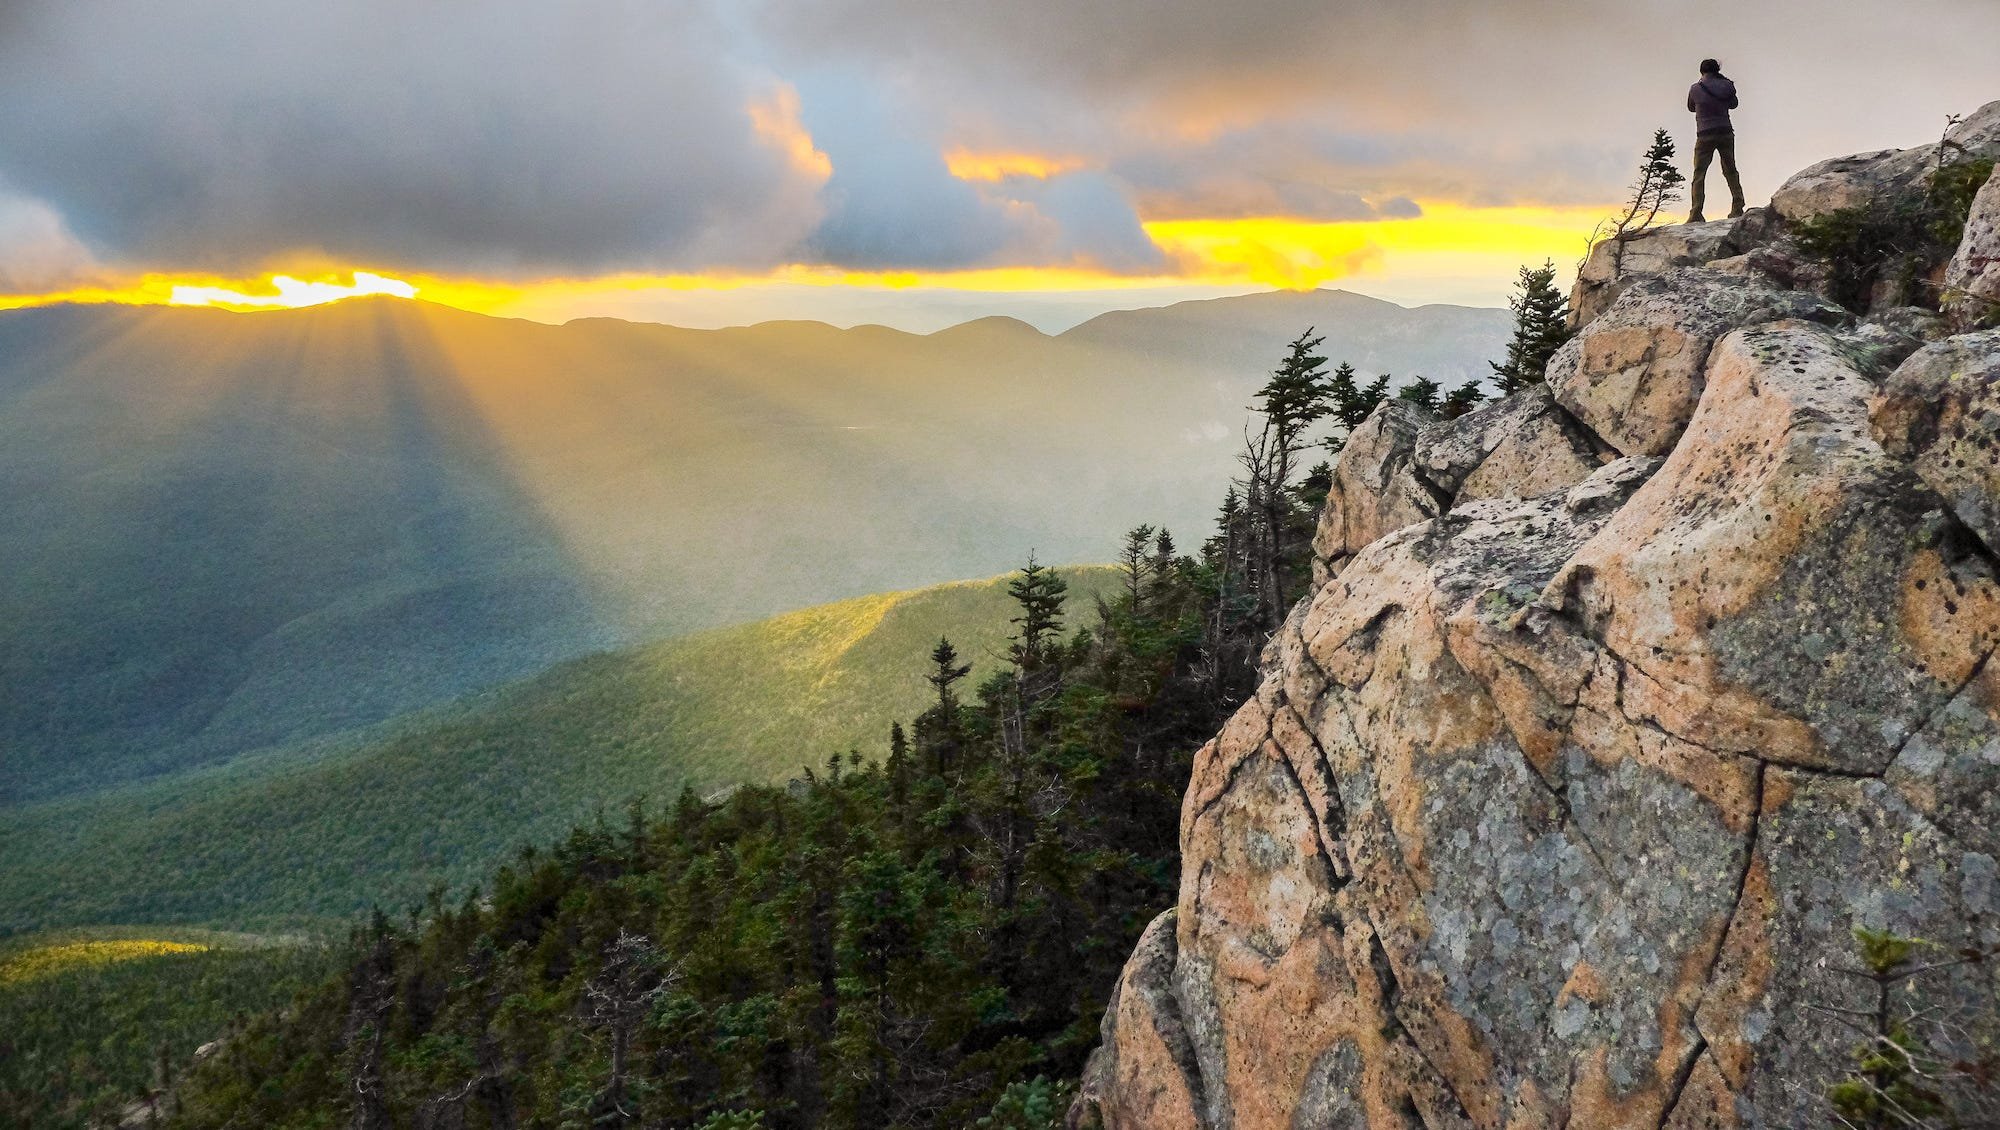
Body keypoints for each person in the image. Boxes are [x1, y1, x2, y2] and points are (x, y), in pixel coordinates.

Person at [1687, 58, 1745, 222]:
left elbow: (1691, 107)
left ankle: (1696, 212)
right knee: (1730, 170)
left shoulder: (1695, 88)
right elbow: (1734, 104)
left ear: (1701, 71)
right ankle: (1738, 206)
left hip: (1705, 133)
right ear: (1717, 70)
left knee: (1699, 173)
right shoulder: (1727, 85)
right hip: (1725, 130)